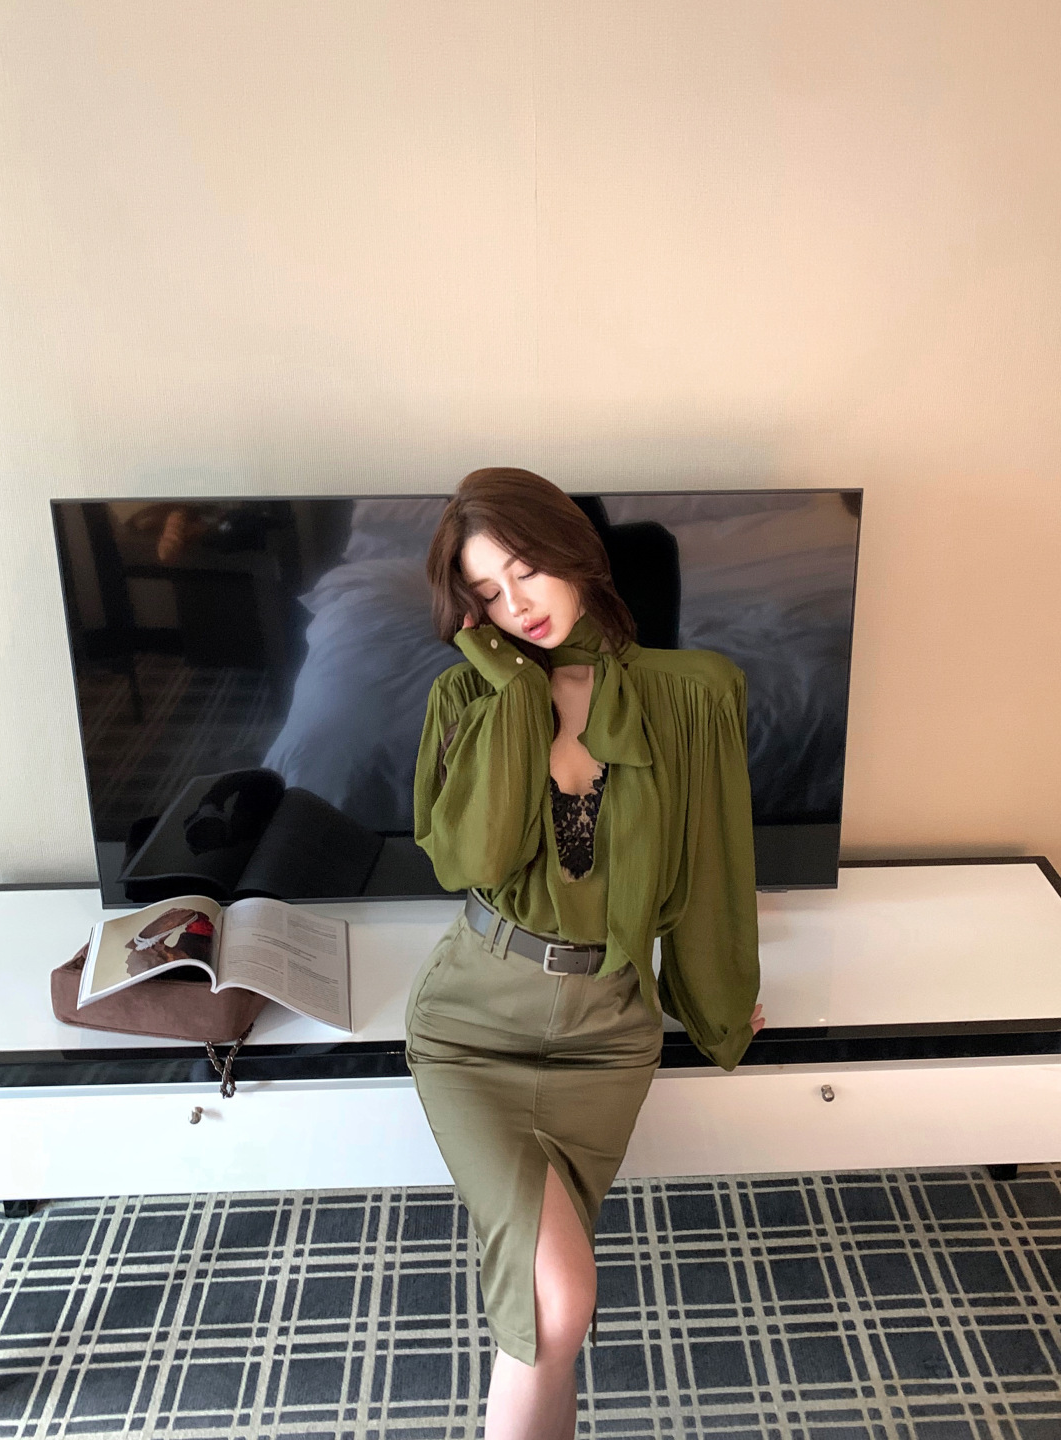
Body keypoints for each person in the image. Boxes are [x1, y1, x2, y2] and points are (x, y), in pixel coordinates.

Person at [406, 467, 764, 1440]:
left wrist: (717, 1002)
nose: (515, 605)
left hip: (607, 1037)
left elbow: (713, 866)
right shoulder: (465, 698)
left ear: (573, 554)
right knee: (557, 1303)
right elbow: (469, 861)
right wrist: (513, 691)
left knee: (551, 1316)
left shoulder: (692, 695)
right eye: (487, 592)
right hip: (474, 1025)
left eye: (526, 571)